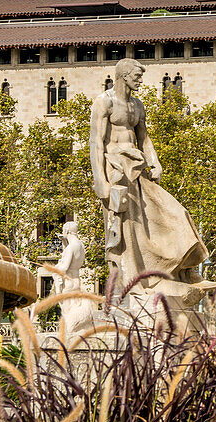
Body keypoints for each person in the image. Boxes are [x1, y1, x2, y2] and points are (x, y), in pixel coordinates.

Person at [89, 59, 208, 290]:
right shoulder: (104, 102)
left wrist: (156, 162)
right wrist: (100, 180)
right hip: (116, 171)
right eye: (137, 76)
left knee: (175, 213)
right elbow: (96, 141)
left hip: (138, 168)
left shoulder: (137, 105)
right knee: (126, 230)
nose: (140, 81)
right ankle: (130, 282)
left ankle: (183, 268)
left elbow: (143, 138)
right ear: (124, 76)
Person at [53, 221, 95, 335]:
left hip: (68, 281)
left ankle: (71, 334)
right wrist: (64, 243)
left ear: (66, 231)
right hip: (76, 279)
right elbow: (73, 260)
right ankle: (79, 330)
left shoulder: (71, 247)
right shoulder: (80, 245)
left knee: (67, 311)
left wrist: (55, 269)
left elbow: (65, 266)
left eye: (63, 231)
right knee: (74, 307)